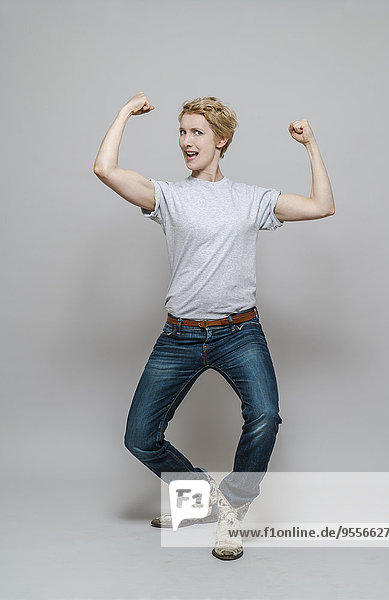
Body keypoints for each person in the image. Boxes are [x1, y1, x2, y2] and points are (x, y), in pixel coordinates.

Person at [93, 92, 335, 561]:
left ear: (221, 140)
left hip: (239, 333)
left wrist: (311, 145)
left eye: (196, 132)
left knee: (264, 416)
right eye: (182, 132)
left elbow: (322, 206)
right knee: (140, 438)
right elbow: (105, 169)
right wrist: (123, 112)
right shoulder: (168, 196)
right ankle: (202, 498)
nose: (186, 141)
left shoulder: (250, 200)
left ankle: (232, 509)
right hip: (179, 337)